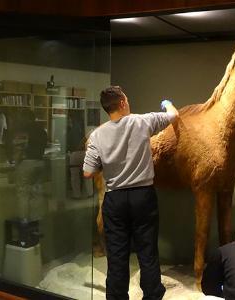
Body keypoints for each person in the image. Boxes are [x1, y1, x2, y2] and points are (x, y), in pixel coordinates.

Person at [83, 86, 179, 300]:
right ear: (123, 103)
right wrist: (167, 103)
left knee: (116, 256)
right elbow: (174, 116)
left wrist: (107, 162)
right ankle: (152, 296)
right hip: (142, 197)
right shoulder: (141, 121)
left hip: (114, 199)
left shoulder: (97, 135)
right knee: (147, 252)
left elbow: (88, 172)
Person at [15, 110, 48, 221]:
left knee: (23, 192)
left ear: (26, 118)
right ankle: (36, 218)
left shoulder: (24, 131)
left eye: (21, 118)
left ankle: (24, 218)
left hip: (27, 162)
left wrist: (16, 161)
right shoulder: (42, 131)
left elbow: (20, 147)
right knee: (37, 191)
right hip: (40, 162)